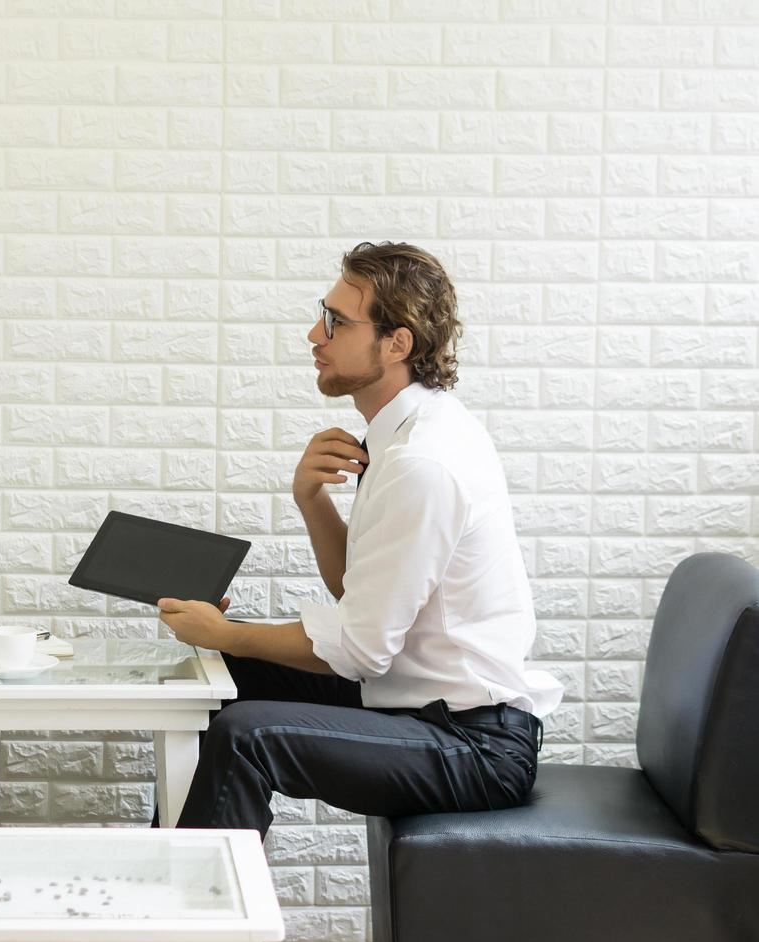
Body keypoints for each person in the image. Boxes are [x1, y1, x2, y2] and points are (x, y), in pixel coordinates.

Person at [157, 241, 562, 836]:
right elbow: (360, 593)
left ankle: (198, 923)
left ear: (397, 343)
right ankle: (167, 884)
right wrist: (311, 499)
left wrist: (232, 632)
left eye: (336, 322)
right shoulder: (401, 435)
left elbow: (363, 648)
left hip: (473, 744)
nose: (313, 335)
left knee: (247, 736)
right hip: (418, 704)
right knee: (217, 679)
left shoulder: (423, 460)